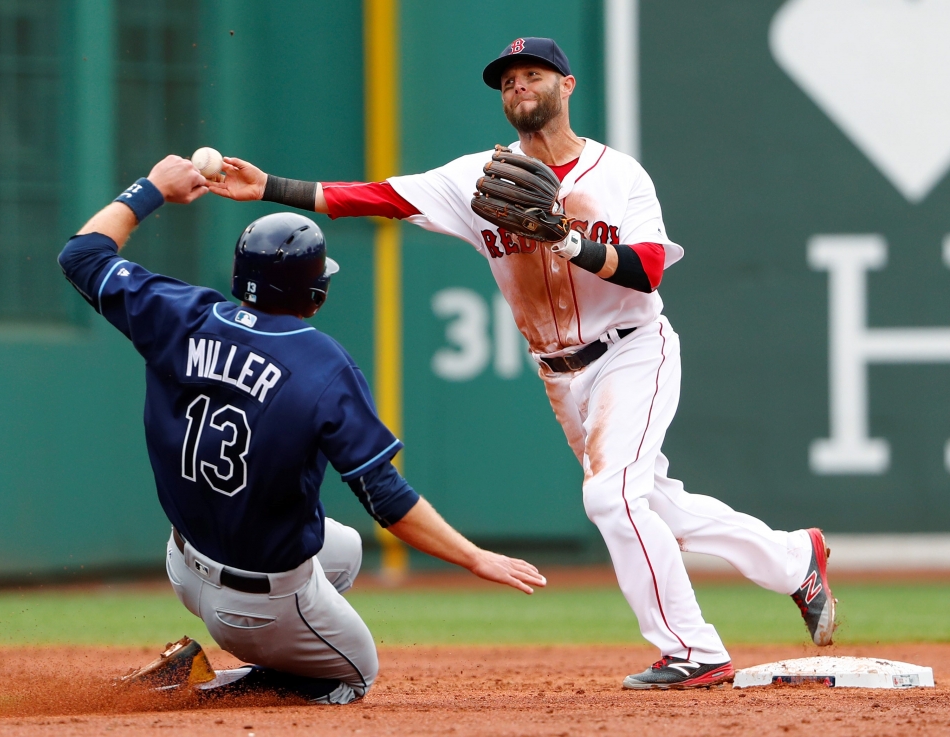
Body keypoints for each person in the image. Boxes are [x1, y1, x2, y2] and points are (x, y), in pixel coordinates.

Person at [206, 37, 836, 690]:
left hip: (631, 350)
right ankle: (795, 558)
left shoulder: (618, 176)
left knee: (611, 497)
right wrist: (270, 188)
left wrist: (563, 236)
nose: (518, 87)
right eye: (507, 81)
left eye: (532, 75)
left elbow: (647, 271)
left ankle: (692, 649)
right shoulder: (481, 179)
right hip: (560, 374)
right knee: (654, 506)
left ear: (566, 87)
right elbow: (383, 196)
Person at [58, 154, 545, 704]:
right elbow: (384, 495)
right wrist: (475, 556)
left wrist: (151, 189)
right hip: (253, 603)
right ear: (317, 294)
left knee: (342, 550)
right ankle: (200, 690)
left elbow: (81, 255)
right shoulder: (322, 365)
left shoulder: (180, 312)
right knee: (355, 673)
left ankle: (266, 643)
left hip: (183, 562)